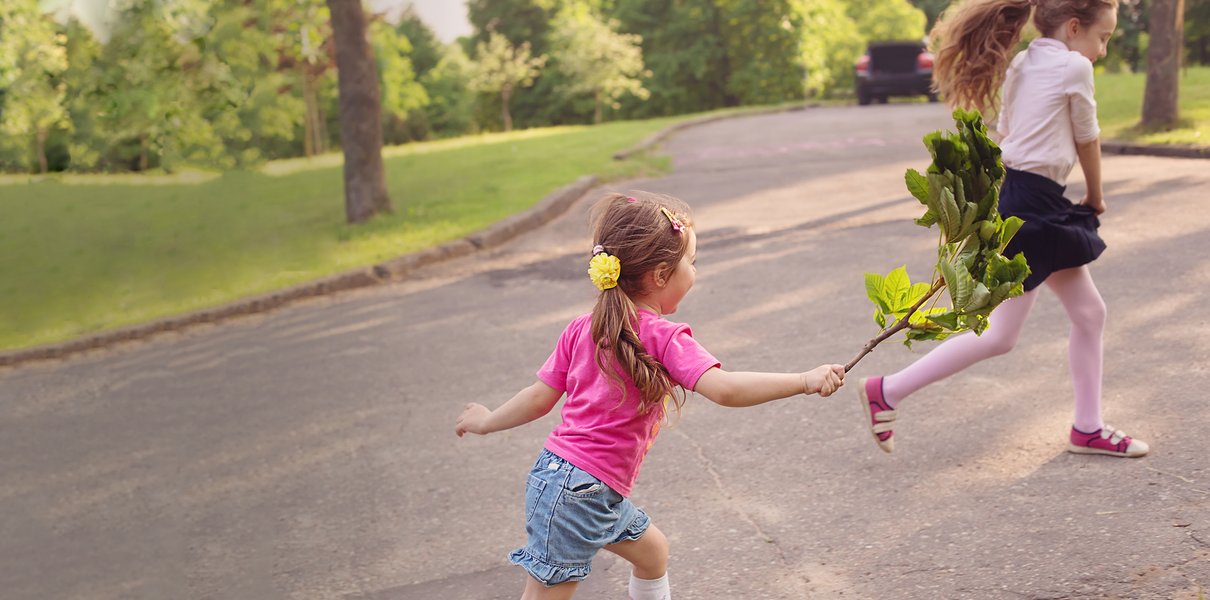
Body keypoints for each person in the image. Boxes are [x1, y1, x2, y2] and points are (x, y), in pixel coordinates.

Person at [455, 192, 846, 600]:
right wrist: (804, 379)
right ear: (661, 274)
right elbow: (726, 390)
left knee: (653, 553)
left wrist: (487, 419)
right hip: (580, 491)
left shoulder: (582, 327)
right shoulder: (661, 336)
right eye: (691, 263)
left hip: (575, 483)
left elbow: (539, 397)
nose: (694, 272)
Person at [858, 0, 1149, 458]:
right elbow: (1087, 137)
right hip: (1033, 206)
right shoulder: (1074, 66)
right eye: (1103, 37)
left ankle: (1087, 427)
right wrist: (1096, 195)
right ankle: (886, 391)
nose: (1104, 50)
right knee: (1001, 335)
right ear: (1074, 28)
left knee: (1086, 314)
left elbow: (1010, 133)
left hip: (1023, 197)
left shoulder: (1022, 62)